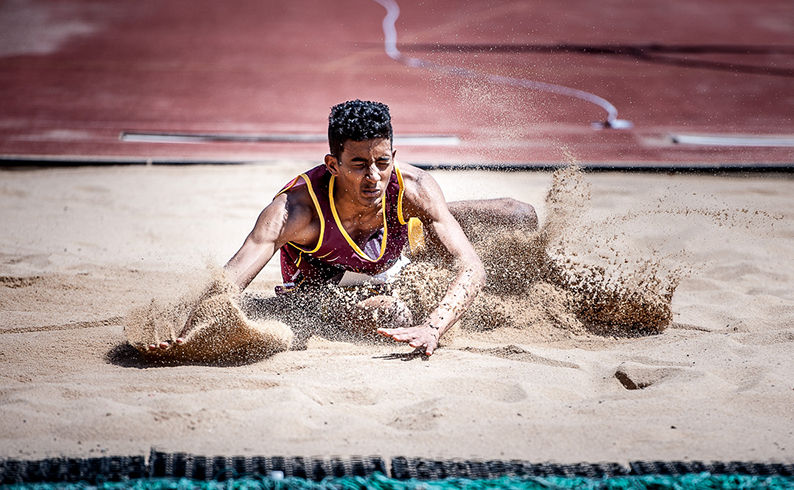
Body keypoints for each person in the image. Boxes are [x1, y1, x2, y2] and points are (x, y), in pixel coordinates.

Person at [150, 99, 536, 356]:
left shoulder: (412, 188)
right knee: (393, 315)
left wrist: (434, 328)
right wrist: (188, 331)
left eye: (382, 162)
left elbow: (472, 266)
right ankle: (281, 306)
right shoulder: (297, 211)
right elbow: (232, 276)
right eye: (358, 165)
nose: (374, 177)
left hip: (394, 251)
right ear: (333, 165)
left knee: (519, 216)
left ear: (393, 157)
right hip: (329, 284)